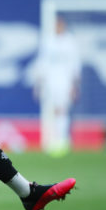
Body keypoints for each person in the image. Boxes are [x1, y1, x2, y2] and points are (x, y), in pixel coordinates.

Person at [34, 16, 82, 156]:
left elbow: (75, 64)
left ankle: (64, 140)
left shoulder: (70, 41)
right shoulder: (49, 41)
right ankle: (54, 141)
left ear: (63, 25)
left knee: (62, 110)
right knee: (53, 111)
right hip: (50, 81)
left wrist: (75, 85)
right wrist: (38, 83)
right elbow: (42, 63)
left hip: (65, 81)